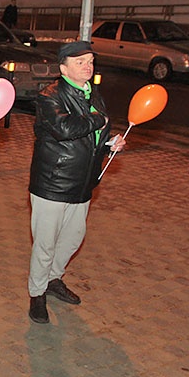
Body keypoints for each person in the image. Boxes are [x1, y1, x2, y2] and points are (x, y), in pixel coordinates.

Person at [27, 41, 126, 324]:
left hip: (83, 183)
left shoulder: (93, 95)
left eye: (91, 61)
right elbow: (64, 128)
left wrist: (109, 144)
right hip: (53, 183)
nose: (88, 66)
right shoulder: (50, 95)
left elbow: (95, 134)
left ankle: (53, 279)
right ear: (63, 68)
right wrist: (97, 120)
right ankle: (37, 295)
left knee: (72, 239)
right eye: (80, 61)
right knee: (45, 244)